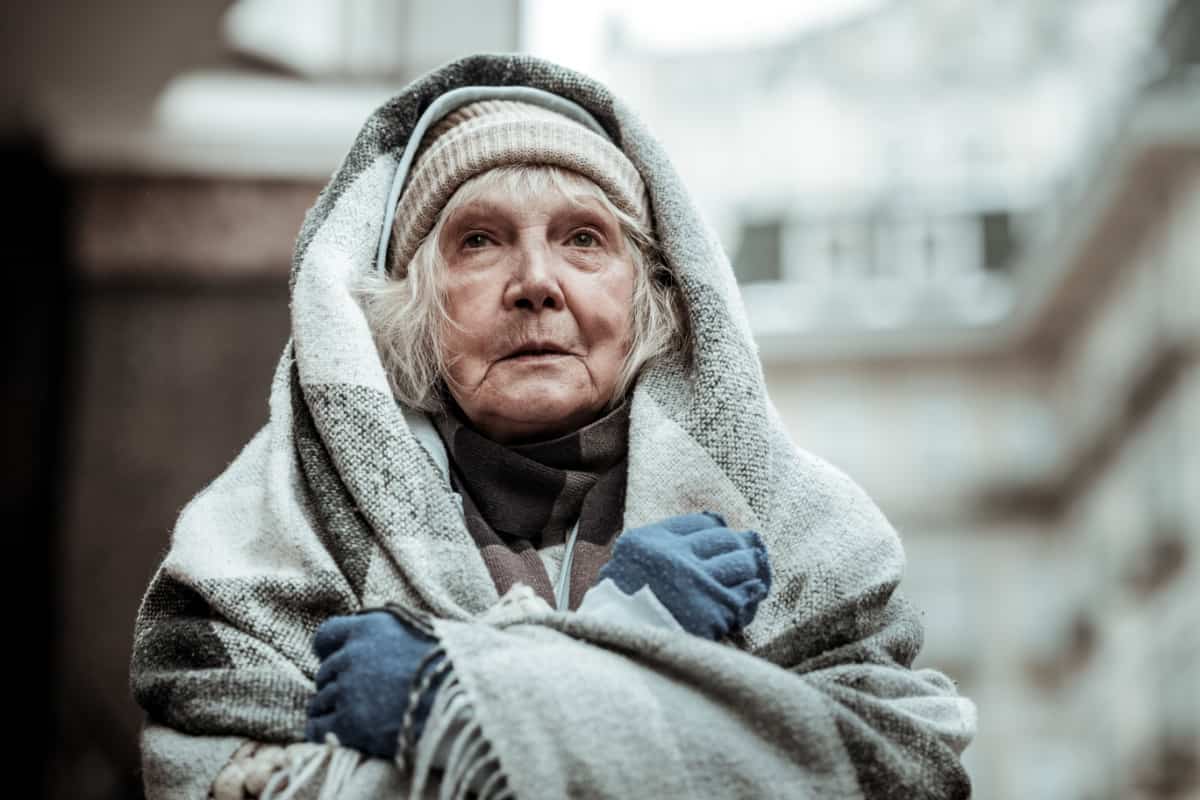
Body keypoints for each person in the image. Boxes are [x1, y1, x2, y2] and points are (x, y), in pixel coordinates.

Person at [131, 54, 976, 799]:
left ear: (649, 300)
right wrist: (630, 646)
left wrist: (442, 696)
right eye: (478, 242)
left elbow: (902, 768)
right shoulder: (265, 542)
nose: (535, 281)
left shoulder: (800, 528)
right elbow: (212, 781)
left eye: (582, 238)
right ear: (410, 311)